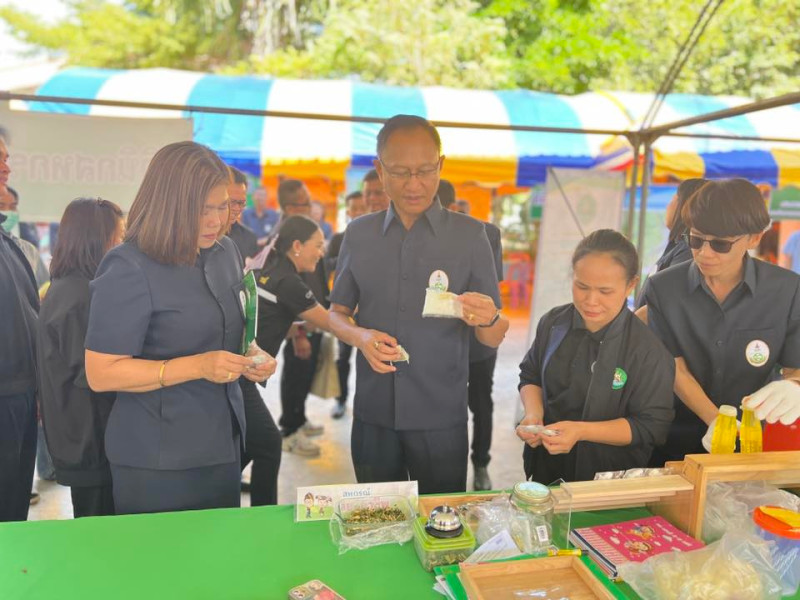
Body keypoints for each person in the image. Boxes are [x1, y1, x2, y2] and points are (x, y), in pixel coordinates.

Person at [84, 141, 277, 515]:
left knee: (218, 547)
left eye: (222, 206)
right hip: (158, 459)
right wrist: (198, 366)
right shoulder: (128, 266)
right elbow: (101, 372)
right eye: (202, 210)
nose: (216, 221)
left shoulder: (225, 253)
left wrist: (253, 354)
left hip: (223, 444)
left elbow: (232, 330)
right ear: (169, 204)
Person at [329, 115, 508, 494]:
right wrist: (361, 337)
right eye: (400, 172)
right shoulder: (359, 235)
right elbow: (337, 313)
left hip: (440, 416)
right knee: (378, 517)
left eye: (425, 171)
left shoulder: (471, 237)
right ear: (380, 170)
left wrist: (488, 318)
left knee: (440, 519)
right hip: (375, 413)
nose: (414, 184)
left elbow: (493, 336)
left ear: (440, 165)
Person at [638, 179, 800, 464]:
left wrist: (795, 386)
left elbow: (794, 366)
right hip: (673, 439)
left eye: (720, 244)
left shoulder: (786, 290)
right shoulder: (663, 289)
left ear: (754, 238)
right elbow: (675, 368)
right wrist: (716, 420)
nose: (705, 253)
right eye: (696, 239)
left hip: (750, 441)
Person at [516, 230, 674, 484]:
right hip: (546, 467)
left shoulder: (647, 350)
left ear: (631, 285)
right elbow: (530, 374)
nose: (591, 300)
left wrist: (581, 431)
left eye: (605, 291)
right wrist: (533, 414)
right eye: (582, 286)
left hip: (606, 480)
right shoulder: (553, 323)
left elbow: (651, 426)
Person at [37, 198, 124, 517]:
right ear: (96, 239)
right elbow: (94, 374)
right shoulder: (80, 296)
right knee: (100, 531)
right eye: (118, 237)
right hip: (91, 441)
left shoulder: (69, 287)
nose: (122, 246)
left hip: (83, 436)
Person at [439, 179, 503, 491]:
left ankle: (480, 464)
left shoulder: (486, 233)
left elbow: (491, 293)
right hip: (439, 340)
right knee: (441, 404)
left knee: (480, 402)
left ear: (450, 206)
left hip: (477, 340)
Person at [255, 215, 331, 456]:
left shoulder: (272, 265)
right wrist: (364, 332)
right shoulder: (288, 281)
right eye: (317, 246)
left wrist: (298, 328)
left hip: (242, 367)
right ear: (297, 245)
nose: (321, 253)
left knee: (256, 442)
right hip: (238, 371)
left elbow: (270, 316)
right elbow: (332, 323)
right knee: (267, 444)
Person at [0, 185, 54, 494]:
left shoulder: (15, 247)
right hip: (7, 388)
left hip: (21, 389)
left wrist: (36, 385)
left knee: (14, 496)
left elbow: (34, 308)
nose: (6, 168)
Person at [273, 179, 330, 454]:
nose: (310, 207)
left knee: (305, 374)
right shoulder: (285, 242)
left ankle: (299, 417)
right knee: (295, 374)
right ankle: (290, 429)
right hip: (301, 325)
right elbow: (290, 295)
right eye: (304, 203)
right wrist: (299, 334)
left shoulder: (306, 232)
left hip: (314, 318)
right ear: (289, 208)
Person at [0, 128, 39, 522]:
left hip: (20, 398)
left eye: (7, 158)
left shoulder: (9, 241)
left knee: (12, 515)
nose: (6, 168)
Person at [326, 190, 368, 419]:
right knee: (342, 358)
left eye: (363, 207)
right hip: (345, 309)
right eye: (355, 208)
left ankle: (368, 402)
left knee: (371, 357)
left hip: (371, 309)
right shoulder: (339, 239)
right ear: (348, 212)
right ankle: (340, 400)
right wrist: (348, 259)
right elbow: (326, 265)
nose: (359, 212)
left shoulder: (378, 236)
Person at [226, 166, 259, 261]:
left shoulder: (249, 238)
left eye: (241, 203)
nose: (237, 208)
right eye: (231, 202)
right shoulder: (203, 236)